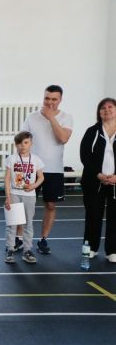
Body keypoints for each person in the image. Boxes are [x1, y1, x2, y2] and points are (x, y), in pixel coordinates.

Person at [20, 85, 73, 255]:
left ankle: (43, 239)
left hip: (54, 169)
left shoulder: (66, 117)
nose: (50, 102)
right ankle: (19, 238)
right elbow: (22, 141)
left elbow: (63, 138)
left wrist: (51, 118)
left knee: (50, 204)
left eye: (54, 99)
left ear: (60, 100)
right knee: (23, 205)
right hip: (31, 169)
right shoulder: (32, 117)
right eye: (47, 98)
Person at [79, 98, 116, 262]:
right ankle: (91, 248)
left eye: (110, 107)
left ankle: (112, 251)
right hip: (94, 181)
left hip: (115, 182)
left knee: (115, 217)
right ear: (99, 112)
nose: (106, 110)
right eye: (103, 108)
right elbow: (85, 156)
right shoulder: (92, 131)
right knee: (93, 215)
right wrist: (98, 174)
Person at [4, 132, 44, 264]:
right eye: (19, 143)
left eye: (26, 142)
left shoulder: (36, 159)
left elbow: (41, 177)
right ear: (16, 145)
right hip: (15, 193)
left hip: (29, 195)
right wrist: (8, 196)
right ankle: (10, 249)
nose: (23, 146)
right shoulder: (11, 158)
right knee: (12, 223)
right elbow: (7, 178)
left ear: (31, 144)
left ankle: (27, 250)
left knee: (28, 224)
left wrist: (34, 186)